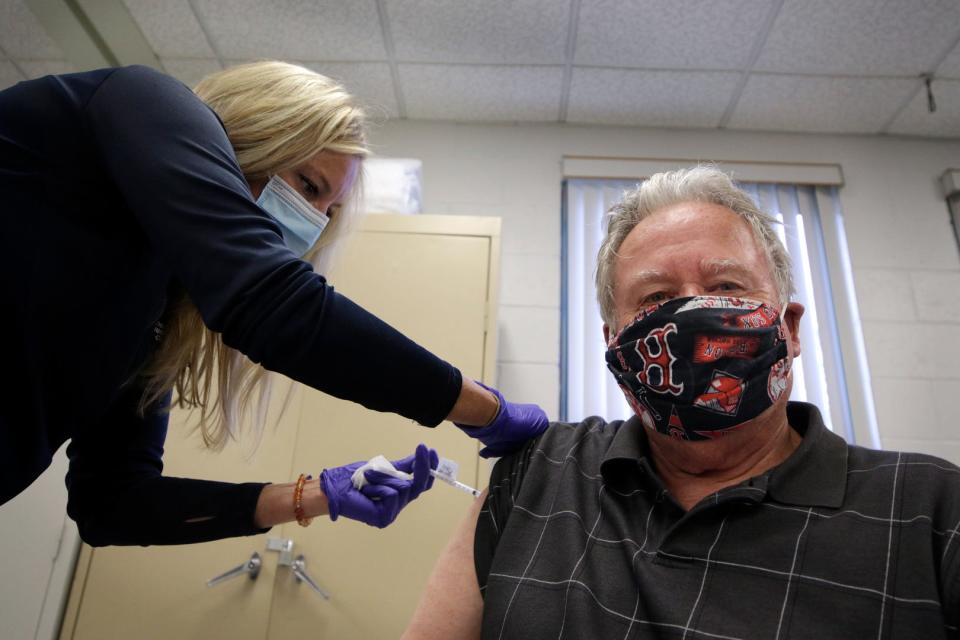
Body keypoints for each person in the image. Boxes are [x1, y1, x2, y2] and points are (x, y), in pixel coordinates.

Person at [0, 62, 549, 546]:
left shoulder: (155, 314)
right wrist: (484, 410)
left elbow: (111, 504)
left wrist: (316, 497)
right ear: (251, 135)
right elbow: (271, 303)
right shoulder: (143, 101)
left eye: (327, 213)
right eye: (308, 185)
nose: (310, 222)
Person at [402, 167, 960, 639]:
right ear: (614, 347)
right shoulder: (539, 473)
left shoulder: (931, 511)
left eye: (729, 286)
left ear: (789, 329)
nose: (695, 316)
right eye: (657, 298)